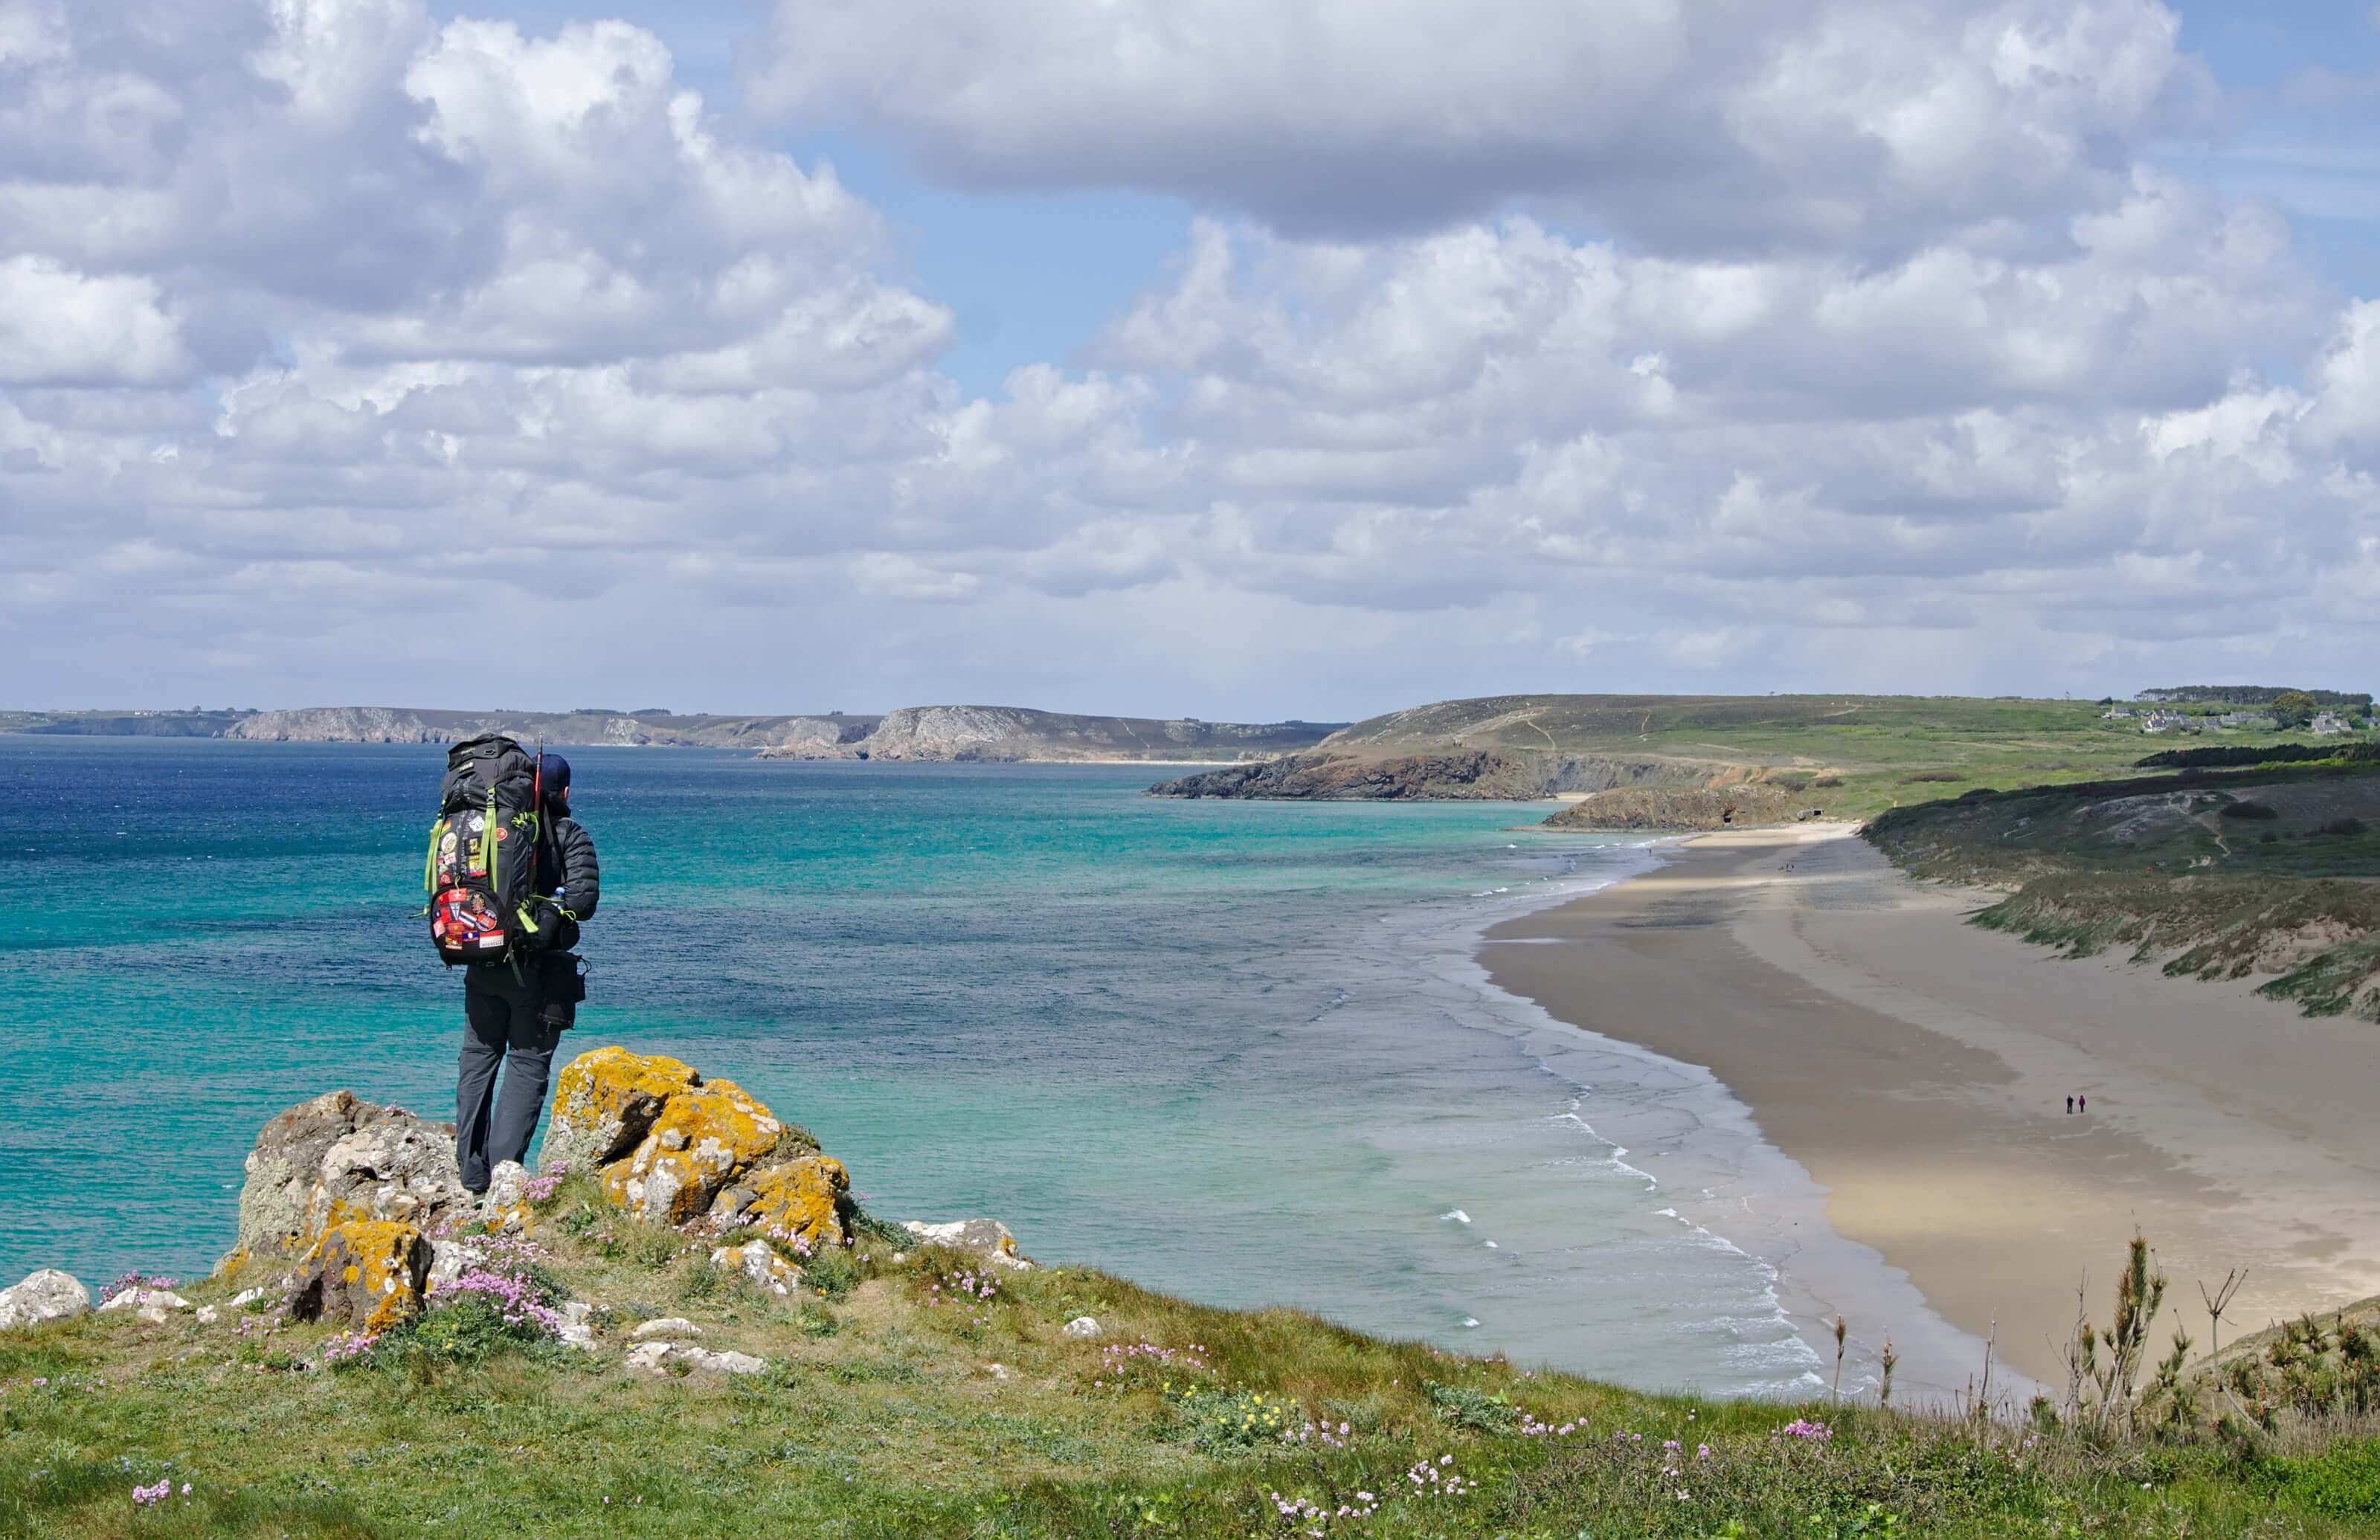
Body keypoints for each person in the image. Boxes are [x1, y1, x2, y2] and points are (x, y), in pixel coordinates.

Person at [454, 752, 599, 1197]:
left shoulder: (485, 832)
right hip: (536, 975)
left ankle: (470, 1175)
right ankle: (502, 1179)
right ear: (565, 792)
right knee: (526, 1064)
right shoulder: (569, 834)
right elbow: (585, 900)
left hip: (482, 962)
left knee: (478, 1060)